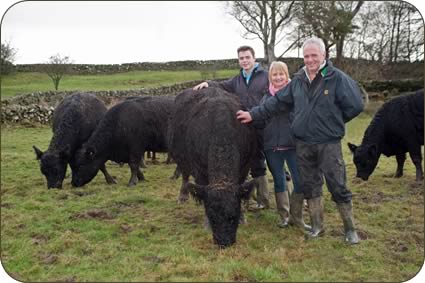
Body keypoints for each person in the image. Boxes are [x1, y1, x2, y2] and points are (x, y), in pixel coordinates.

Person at [236, 37, 364, 244]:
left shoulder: (336, 78)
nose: (310, 59)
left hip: (328, 144)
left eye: (314, 55)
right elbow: (276, 102)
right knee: (311, 185)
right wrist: (253, 114)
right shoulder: (298, 81)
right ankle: (316, 226)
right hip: (302, 144)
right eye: (306, 56)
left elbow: (356, 104)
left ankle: (350, 229)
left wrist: (333, 122)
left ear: (323, 55)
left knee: (337, 184)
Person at [193, 45, 270, 211]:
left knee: (277, 162)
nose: (244, 61)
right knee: (253, 163)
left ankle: (291, 201)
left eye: (247, 57)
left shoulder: (266, 76)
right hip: (246, 129)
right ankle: (260, 200)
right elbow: (223, 85)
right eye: (241, 58)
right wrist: (208, 83)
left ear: (254, 58)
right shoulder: (237, 80)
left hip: (266, 125)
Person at [260, 61, 310, 230]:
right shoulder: (266, 98)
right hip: (272, 147)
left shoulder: (297, 94)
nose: (278, 77)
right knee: (279, 181)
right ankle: (284, 216)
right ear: (270, 77)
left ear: (287, 75)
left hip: (293, 146)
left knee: (299, 180)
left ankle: (298, 216)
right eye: (275, 74)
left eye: (281, 74)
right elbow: (260, 117)